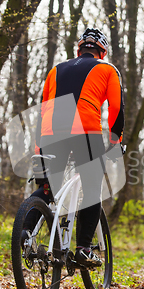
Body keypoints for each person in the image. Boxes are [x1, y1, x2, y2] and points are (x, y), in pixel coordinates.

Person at [22, 28, 124, 267]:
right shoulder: (107, 69)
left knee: (48, 189)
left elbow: (43, 109)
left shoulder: (55, 70)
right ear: (102, 51)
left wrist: (39, 146)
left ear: (79, 49)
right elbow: (117, 109)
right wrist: (115, 141)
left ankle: (25, 232)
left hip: (49, 133)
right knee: (91, 189)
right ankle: (84, 249)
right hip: (85, 131)